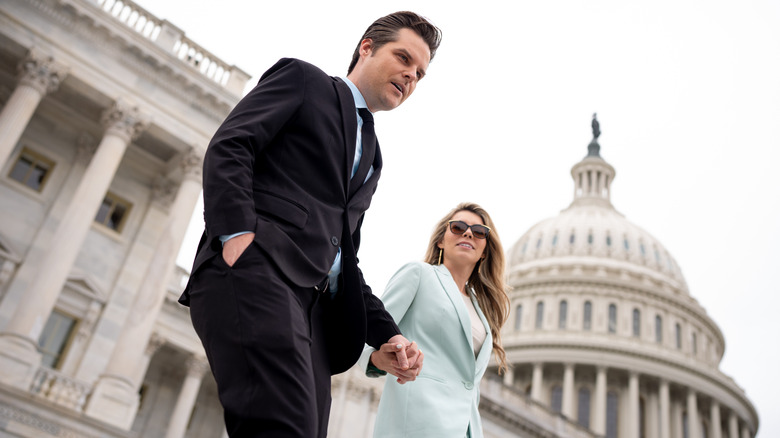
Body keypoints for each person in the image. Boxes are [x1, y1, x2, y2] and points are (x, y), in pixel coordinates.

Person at [177, 12, 442, 438]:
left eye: (420, 74)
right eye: (403, 58)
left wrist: (387, 335)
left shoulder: (373, 156)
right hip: (258, 273)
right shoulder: (304, 80)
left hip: (313, 316)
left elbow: (343, 256)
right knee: (284, 427)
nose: (410, 75)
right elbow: (231, 146)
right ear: (367, 47)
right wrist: (237, 237)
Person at [358, 202, 510, 438]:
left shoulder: (482, 309)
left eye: (479, 232)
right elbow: (365, 333)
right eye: (458, 227)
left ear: (485, 252)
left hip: (467, 429)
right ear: (441, 240)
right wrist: (378, 360)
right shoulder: (419, 274)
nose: (468, 232)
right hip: (417, 423)